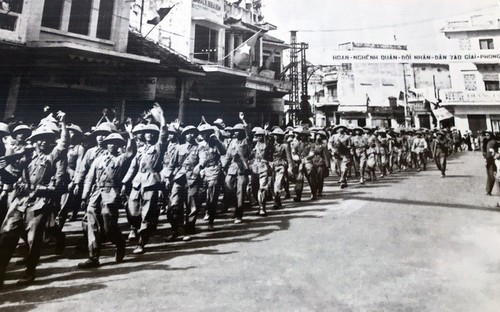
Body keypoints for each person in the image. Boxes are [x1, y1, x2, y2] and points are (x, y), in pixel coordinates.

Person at [0, 111, 68, 287]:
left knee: (33, 239)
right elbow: (11, 178)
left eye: (46, 139)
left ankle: (30, 272)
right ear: (35, 140)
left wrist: (63, 124)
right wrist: (2, 169)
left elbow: (63, 144)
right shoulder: (25, 157)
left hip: (39, 203)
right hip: (20, 201)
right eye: (40, 138)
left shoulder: (51, 157)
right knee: (6, 235)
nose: (43, 142)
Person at [78, 129, 135, 269]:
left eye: (115, 143)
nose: (112, 146)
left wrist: (130, 135)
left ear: (119, 145)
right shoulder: (98, 160)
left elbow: (130, 152)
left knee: (108, 226)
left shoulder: (120, 158)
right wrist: (85, 195)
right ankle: (93, 257)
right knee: (92, 224)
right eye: (109, 143)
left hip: (111, 193)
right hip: (96, 193)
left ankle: (120, 242)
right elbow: (90, 177)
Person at [122, 105, 166, 254]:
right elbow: (132, 167)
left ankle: (142, 242)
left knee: (146, 214)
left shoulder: (158, 148)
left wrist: (161, 117)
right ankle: (136, 227)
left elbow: (163, 133)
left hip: (151, 184)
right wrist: (124, 183)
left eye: (151, 133)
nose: (148, 135)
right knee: (132, 212)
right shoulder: (140, 150)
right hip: (137, 183)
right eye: (146, 133)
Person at [484, 131, 497, 196]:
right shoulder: (490, 142)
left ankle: (488, 190)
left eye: (488, 135)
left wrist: (487, 161)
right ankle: (488, 190)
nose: (486, 136)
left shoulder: (491, 143)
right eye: (485, 135)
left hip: (492, 161)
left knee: (491, 176)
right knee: (491, 176)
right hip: (492, 160)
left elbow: (489, 154)